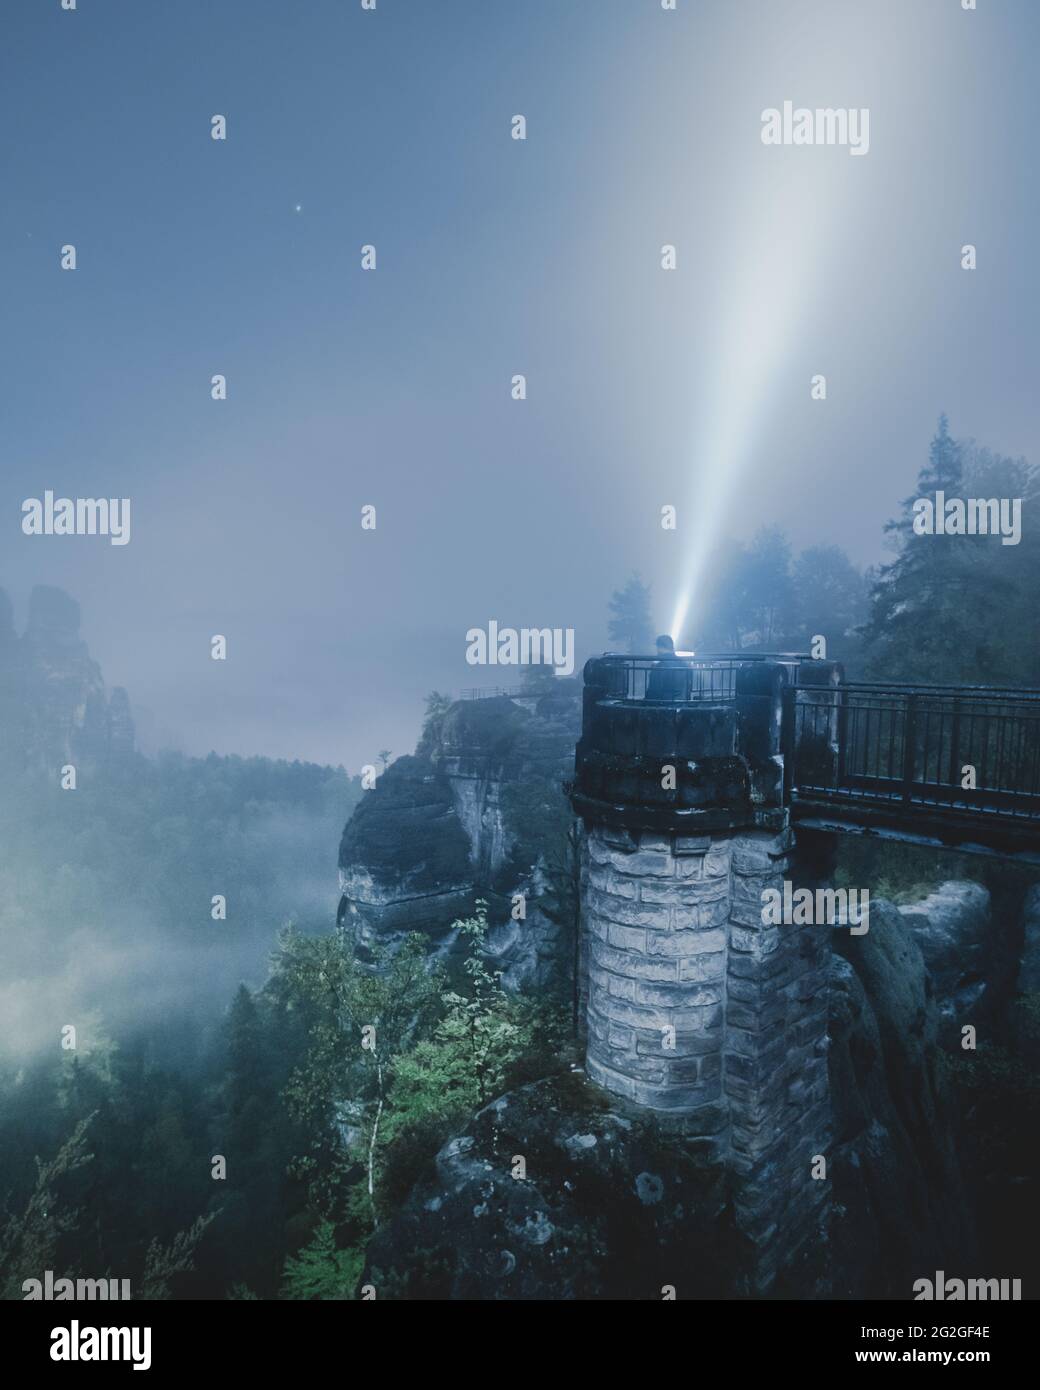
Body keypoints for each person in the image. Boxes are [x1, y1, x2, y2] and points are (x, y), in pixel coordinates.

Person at [645, 633, 687, 701]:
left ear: (660, 647)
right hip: (681, 702)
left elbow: (654, 690)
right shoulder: (683, 663)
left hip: (663, 704)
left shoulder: (660, 665)